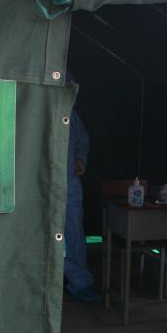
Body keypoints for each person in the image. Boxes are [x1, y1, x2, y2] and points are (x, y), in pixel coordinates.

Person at [64, 92, 100, 303]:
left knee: (74, 234)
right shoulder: (38, 109)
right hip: (42, 184)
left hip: (69, 184)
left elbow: (81, 139)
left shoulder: (71, 115)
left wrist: (79, 158)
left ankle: (80, 282)